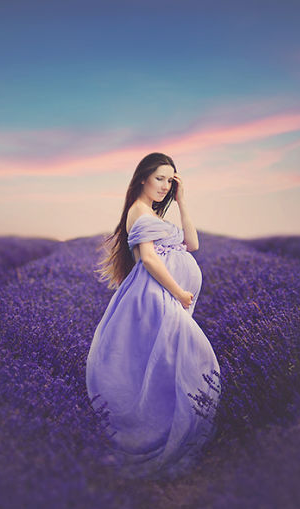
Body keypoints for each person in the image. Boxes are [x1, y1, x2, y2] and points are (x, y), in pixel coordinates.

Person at [86, 152, 221, 480]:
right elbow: (148, 259)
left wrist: (182, 201)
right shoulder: (138, 211)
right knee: (194, 363)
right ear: (143, 178)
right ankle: (161, 442)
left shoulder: (155, 213)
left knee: (167, 367)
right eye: (160, 178)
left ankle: (168, 437)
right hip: (154, 298)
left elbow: (192, 244)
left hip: (163, 297)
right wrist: (178, 292)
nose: (165, 185)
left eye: (170, 179)